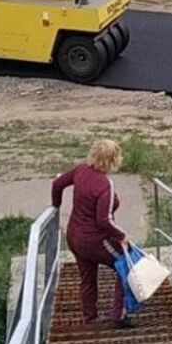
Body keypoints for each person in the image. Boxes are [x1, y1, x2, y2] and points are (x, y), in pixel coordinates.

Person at [51, 139, 133, 328]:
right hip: (94, 241)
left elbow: (57, 184)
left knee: (87, 278)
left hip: (74, 237)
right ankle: (118, 314)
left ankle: (90, 318)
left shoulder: (80, 171)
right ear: (113, 159)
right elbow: (103, 221)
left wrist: (56, 206)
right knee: (126, 265)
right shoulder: (105, 185)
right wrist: (122, 235)